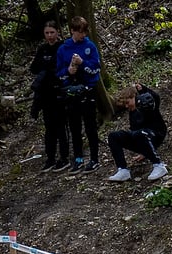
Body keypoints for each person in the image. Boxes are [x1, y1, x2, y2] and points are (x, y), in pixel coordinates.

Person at [55, 16, 101, 174]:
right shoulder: (63, 48)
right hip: (71, 91)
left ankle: (94, 158)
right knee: (74, 127)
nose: (83, 35)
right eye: (80, 32)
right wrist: (68, 71)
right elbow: (59, 72)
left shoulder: (90, 46)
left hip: (88, 90)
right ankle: (78, 158)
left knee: (90, 126)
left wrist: (83, 64)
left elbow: (96, 68)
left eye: (85, 31)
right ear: (72, 31)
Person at [105, 84, 168, 182]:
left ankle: (159, 165)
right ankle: (123, 170)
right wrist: (144, 151)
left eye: (127, 103)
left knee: (140, 133)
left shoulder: (147, 104)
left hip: (155, 135)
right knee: (113, 136)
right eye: (124, 105)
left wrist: (143, 88)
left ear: (133, 97)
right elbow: (134, 130)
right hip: (142, 138)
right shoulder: (132, 113)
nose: (126, 106)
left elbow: (155, 97)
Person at [29, 21, 69, 173]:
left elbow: (62, 67)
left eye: (52, 32)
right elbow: (34, 68)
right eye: (47, 33)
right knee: (49, 129)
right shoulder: (42, 49)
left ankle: (64, 157)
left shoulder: (62, 47)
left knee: (61, 127)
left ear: (58, 32)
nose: (50, 36)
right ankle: (50, 158)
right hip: (45, 95)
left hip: (58, 93)